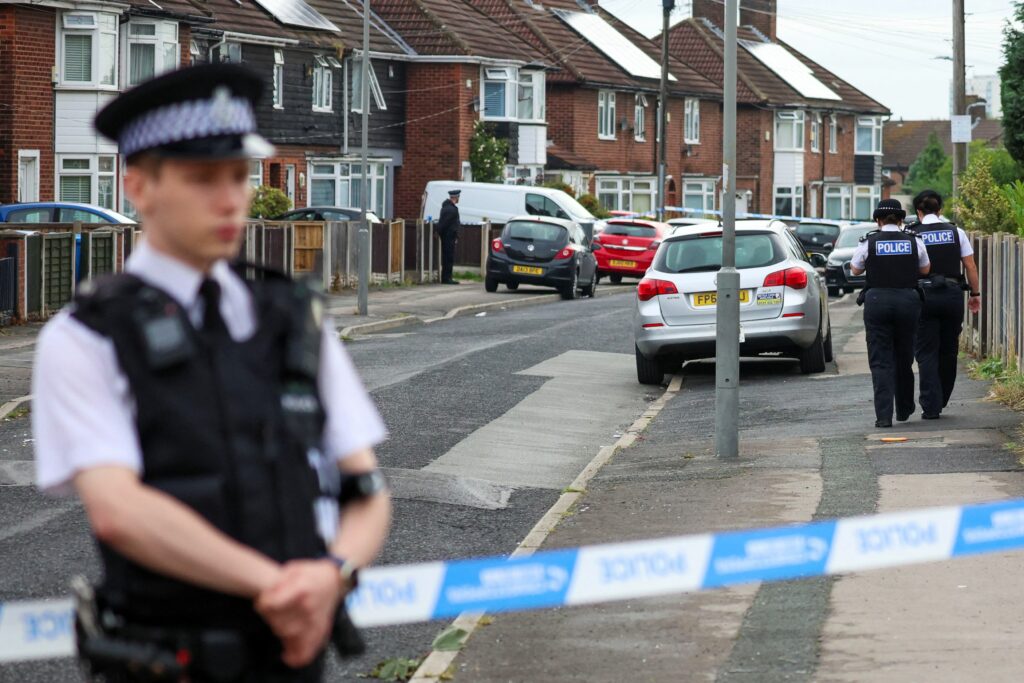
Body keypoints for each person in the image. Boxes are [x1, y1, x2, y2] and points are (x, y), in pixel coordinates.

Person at [31, 64, 391, 682]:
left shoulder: (291, 317)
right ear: (138, 185)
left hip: (293, 660)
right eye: (202, 179)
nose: (229, 199)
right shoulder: (86, 335)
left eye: (239, 176)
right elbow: (118, 510)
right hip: (166, 663)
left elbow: (365, 489)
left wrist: (332, 573)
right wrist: (282, 587)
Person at [850, 199, 931, 428]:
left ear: (878, 221)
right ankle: (904, 409)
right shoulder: (914, 240)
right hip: (908, 301)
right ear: (901, 220)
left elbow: (855, 269)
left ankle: (883, 417)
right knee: (904, 357)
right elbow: (925, 268)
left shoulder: (869, 241)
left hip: (877, 301)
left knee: (880, 361)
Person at [912, 189, 982, 419]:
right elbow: (970, 265)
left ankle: (930, 405)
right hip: (952, 295)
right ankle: (942, 398)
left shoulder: (912, 233)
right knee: (949, 348)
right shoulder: (956, 231)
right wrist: (975, 293)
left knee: (926, 350)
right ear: (940, 209)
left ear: (918, 212)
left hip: (923, 295)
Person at [437, 189, 462, 284]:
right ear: (455, 197)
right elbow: (445, 224)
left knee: (447, 257)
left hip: (448, 237)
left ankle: (447, 277)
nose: (459, 199)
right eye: (458, 197)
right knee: (448, 258)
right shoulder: (451, 210)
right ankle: (447, 278)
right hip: (448, 237)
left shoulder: (447, 207)